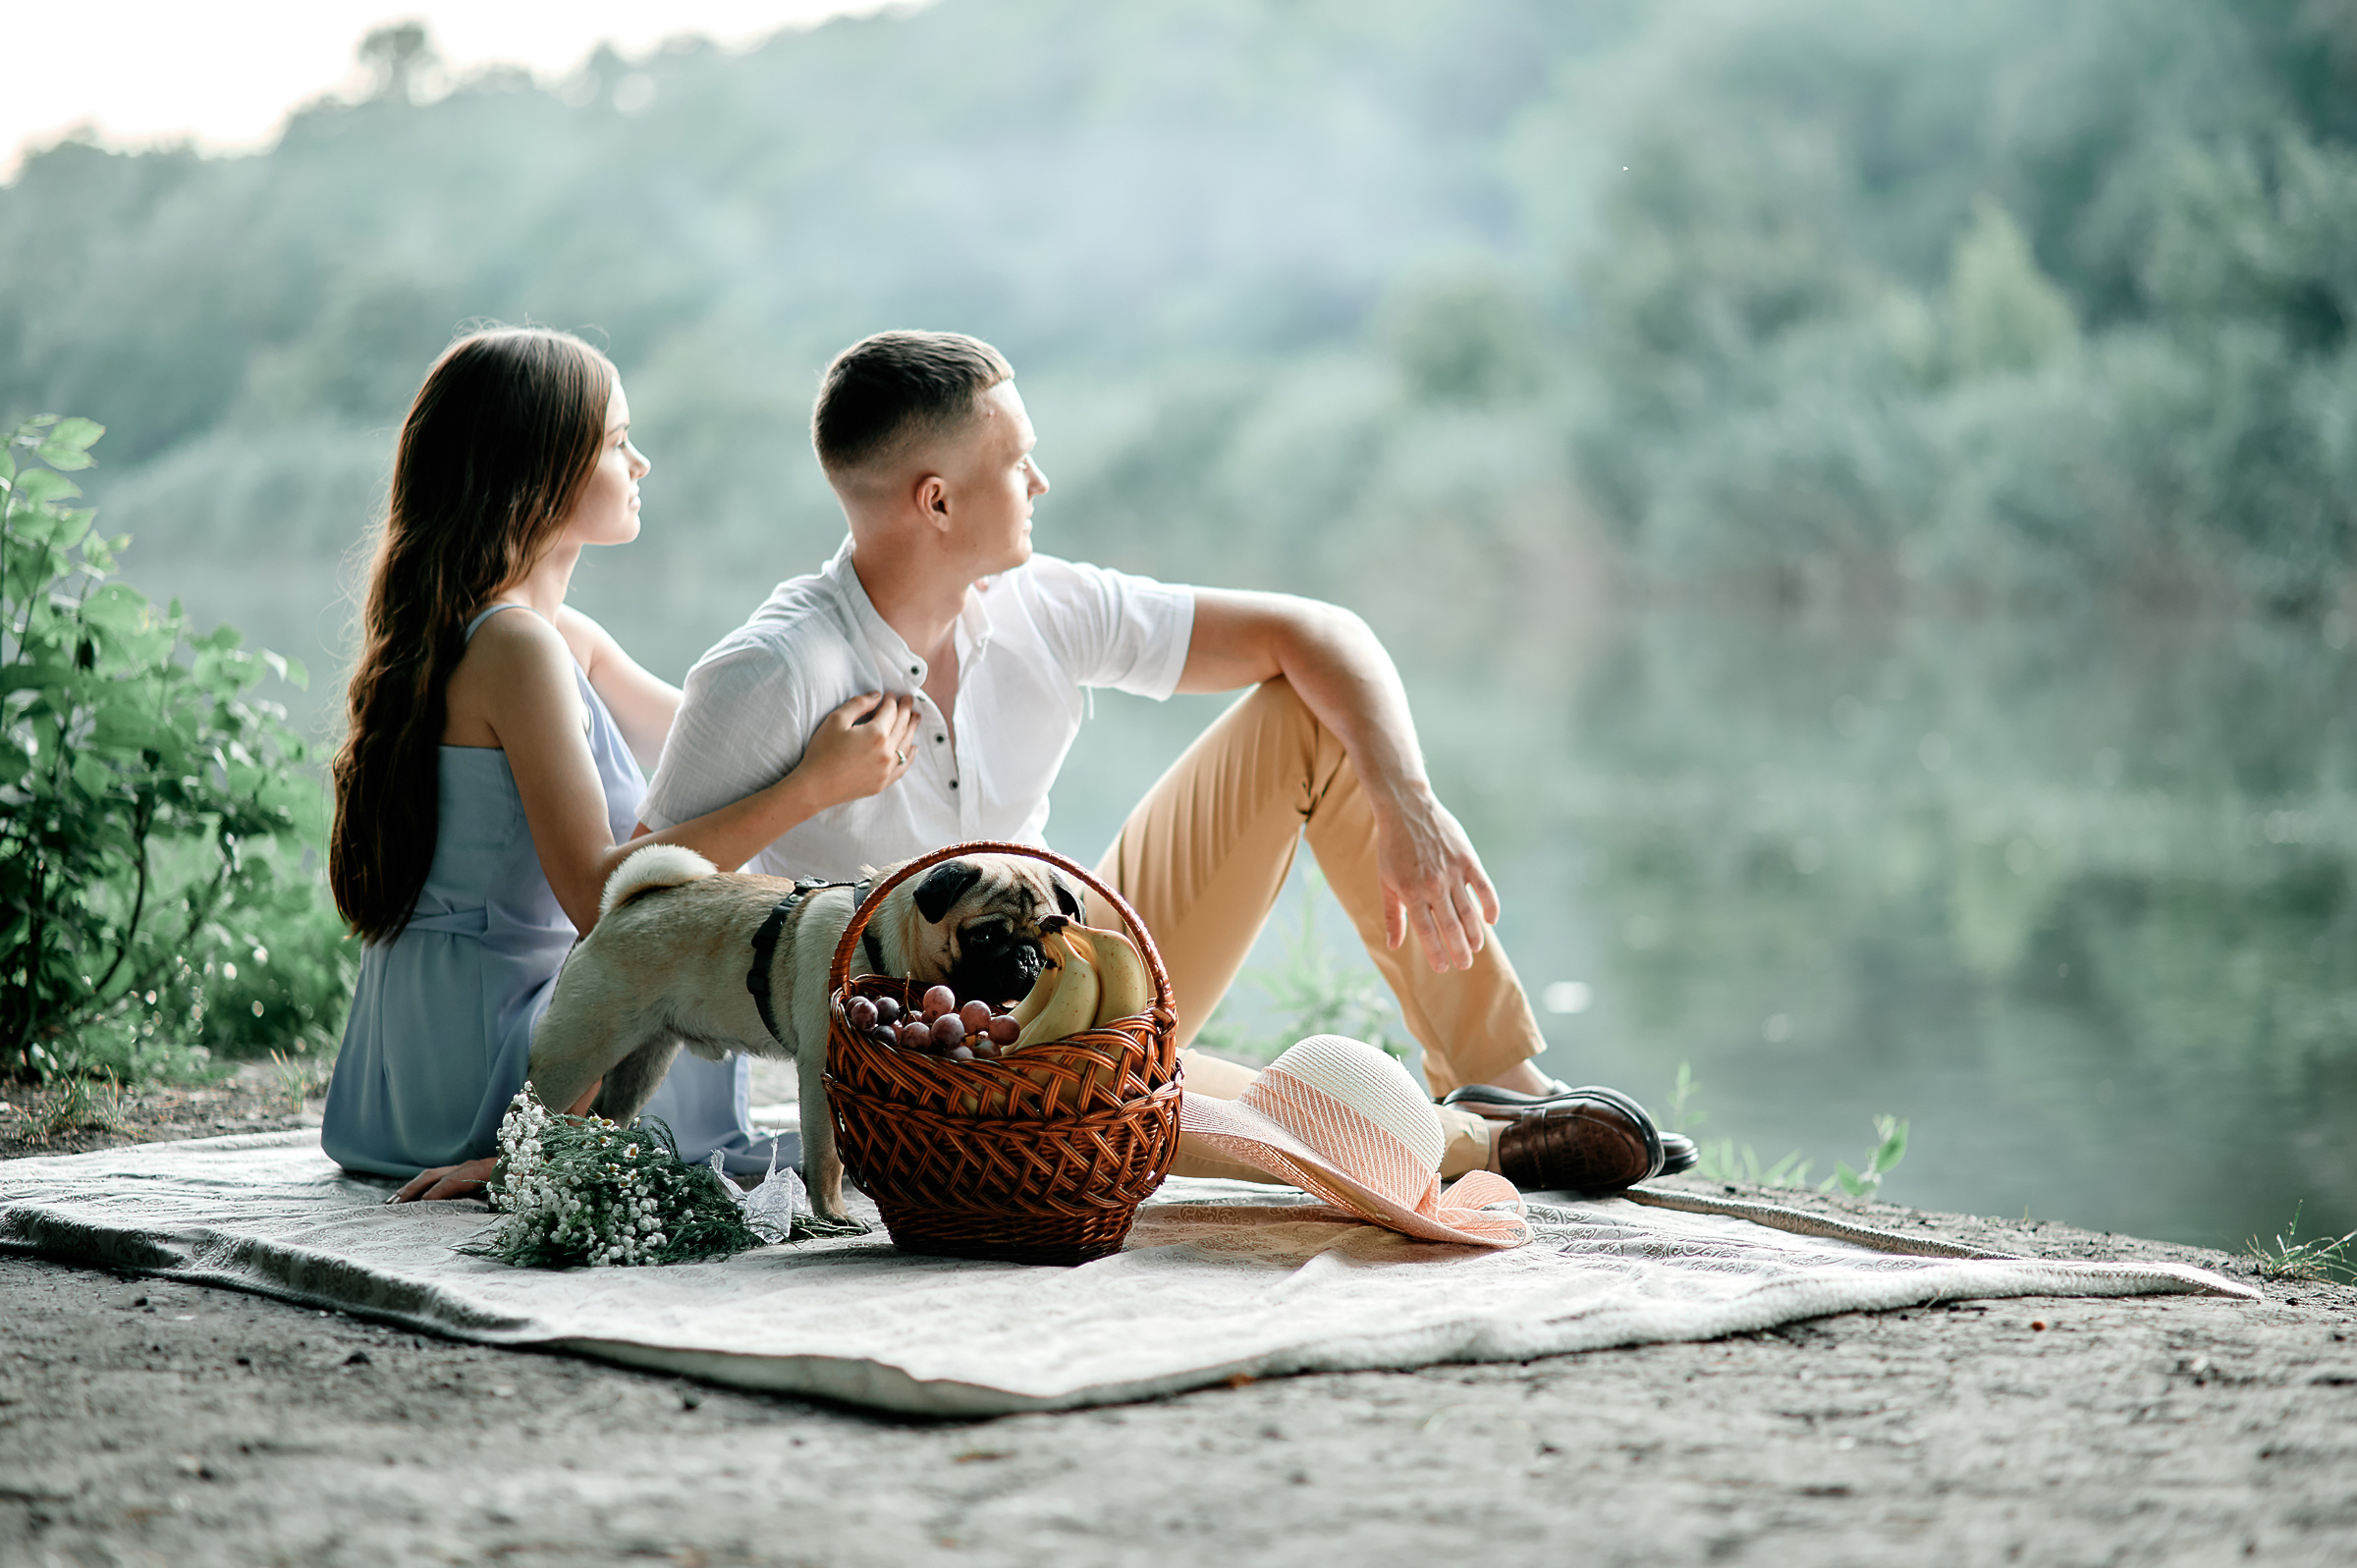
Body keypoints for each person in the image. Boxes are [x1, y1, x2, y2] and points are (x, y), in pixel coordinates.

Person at [637, 330, 1693, 1192]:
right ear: (937, 500)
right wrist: (806, 789)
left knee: (1309, 717)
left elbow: (1316, 633)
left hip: (1075, 952)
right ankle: (1474, 1150)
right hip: (927, 1055)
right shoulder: (771, 669)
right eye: (1016, 463)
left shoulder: (1041, 604)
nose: (1041, 481)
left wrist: (1408, 802)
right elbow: (625, 901)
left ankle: (1497, 1081)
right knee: (1148, 1104)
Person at [320, 327, 924, 1201]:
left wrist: (840, 693)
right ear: (539, 468)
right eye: (615, 442)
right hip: (494, 1056)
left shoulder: (552, 638)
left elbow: (720, 744)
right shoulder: (516, 647)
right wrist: (811, 788)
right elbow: (596, 898)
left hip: (408, 1055)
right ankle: (540, 1141)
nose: (640, 464)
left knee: (726, 932)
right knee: (687, 975)